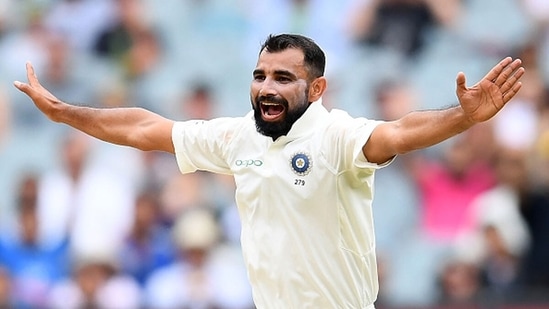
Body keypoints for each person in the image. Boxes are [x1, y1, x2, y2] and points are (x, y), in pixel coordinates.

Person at [13, 33, 524, 308]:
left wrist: (463, 117)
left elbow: (399, 133)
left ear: (317, 89)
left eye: (283, 77)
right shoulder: (238, 137)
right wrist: (65, 113)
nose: (267, 88)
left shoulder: (337, 135)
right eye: (260, 76)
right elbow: (145, 128)